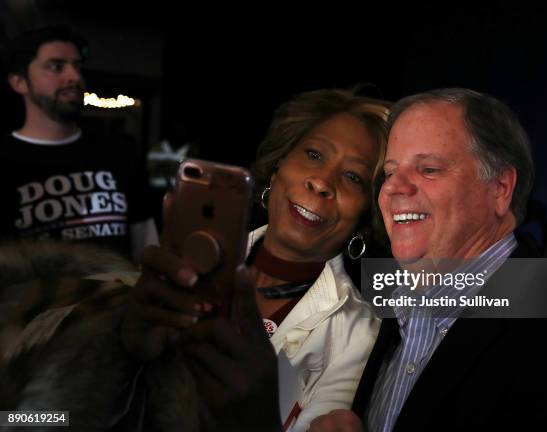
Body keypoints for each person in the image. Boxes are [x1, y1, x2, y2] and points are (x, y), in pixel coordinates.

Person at [309, 88, 547, 431]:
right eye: (390, 172)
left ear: (500, 189)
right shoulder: (377, 309)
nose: (395, 188)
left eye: (428, 169)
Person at [119, 89, 390, 431]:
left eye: (353, 177)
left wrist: (258, 411)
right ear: (278, 168)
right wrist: (127, 351)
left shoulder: (360, 332)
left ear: (365, 217)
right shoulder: (181, 267)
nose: (322, 182)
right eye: (314, 154)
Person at [0, 25, 158, 262]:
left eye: (77, 66)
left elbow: (146, 247)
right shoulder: (5, 161)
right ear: (19, 82)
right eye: (56, 66)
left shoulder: (118, 153)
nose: (74, 77)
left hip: (121, 298)